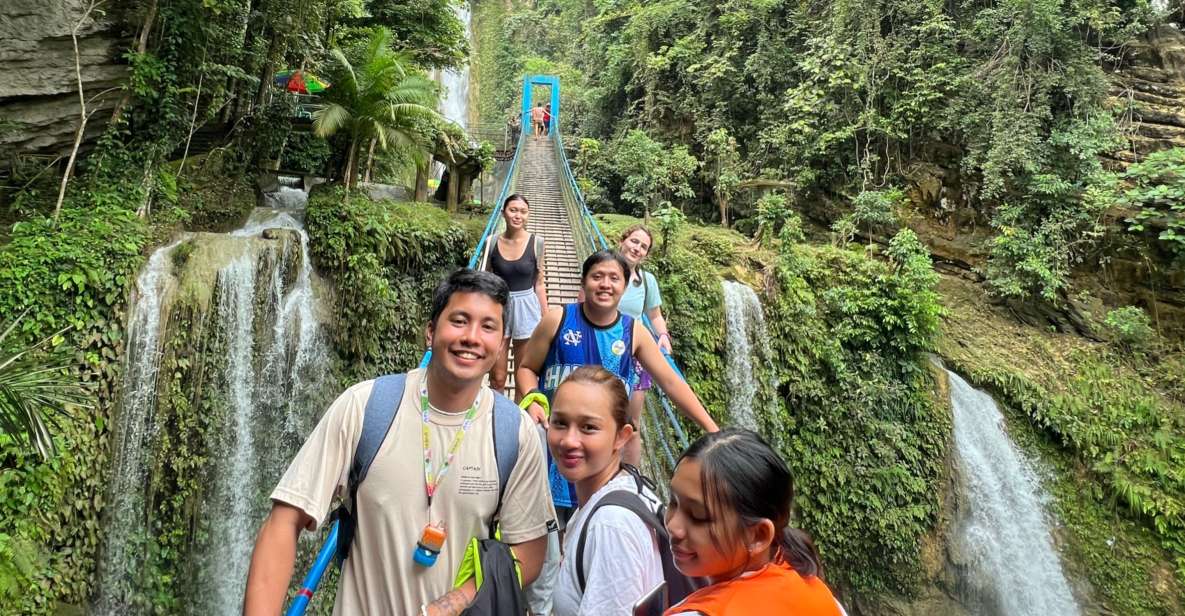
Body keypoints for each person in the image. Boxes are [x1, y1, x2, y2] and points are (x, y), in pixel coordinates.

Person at [243, 269, 556, 616]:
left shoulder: (514, 432)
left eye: (488, 327)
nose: (471, 337)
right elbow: (285, 520)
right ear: (430, 331)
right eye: (459, 320)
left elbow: (528, 550)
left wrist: (451, 604)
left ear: (501, 346)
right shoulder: (366, 407)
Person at [516, 250, 718, 616]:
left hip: (604, 457)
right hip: (555, 447)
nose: (605, 284)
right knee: (551, 538)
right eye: (597, 276)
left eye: (614, 278)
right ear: (583, 282)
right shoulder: (557, 319)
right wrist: (532, 399)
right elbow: (527, 367)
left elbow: (670, 380)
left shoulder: (633, 331)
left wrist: (711, 428)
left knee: (594, 528)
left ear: (626, 287)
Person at [664, 428, 846, 616]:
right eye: (673, 502)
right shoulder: (822, 596)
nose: (672, 527)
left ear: (759, 535)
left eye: (698, 515)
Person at [547, 366, 664, 616]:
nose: (568, 440)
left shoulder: (611, 525)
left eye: (588, 427)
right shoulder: (632, 488)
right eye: (559, 423)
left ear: (622, 437)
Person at [615, 225, 671, 466]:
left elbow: (655, 315)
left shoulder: (647, 281)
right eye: (634, 241)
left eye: (643, 246)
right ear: (623, 240)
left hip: (634, 356)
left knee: (632, 423)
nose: (637, 248)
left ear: (646, 254)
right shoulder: (603, 270)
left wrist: (663, 335)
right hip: (601, 349)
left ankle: (631, 479)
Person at [484, 193, 548, 397]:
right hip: (499, 307)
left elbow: (539, 283)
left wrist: (546, 318)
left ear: (528, 215)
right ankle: (499, 416)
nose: (518, 215)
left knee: (523, 374)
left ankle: (520, 422)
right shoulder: (491, 242)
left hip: (527, 307)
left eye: (523, 211)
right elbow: (485, 280)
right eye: (513, 210)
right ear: (503, 213)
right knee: (498, 377)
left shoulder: (537, 242)